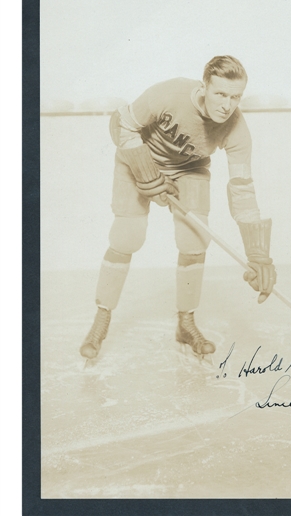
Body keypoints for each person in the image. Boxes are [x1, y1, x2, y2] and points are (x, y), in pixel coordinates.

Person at [80, 55, 277, 360]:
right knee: (127, 237)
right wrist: (145, 171)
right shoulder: (170, 93)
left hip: (189, 169)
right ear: (204, 87)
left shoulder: (236, 127)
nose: (227, 105)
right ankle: (101, 320)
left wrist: (258, 255)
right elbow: (121, 124)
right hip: (137, 160)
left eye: (235, 97)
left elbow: (242, 189)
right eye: (220, 94)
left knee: (195, 240)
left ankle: (186, 323)